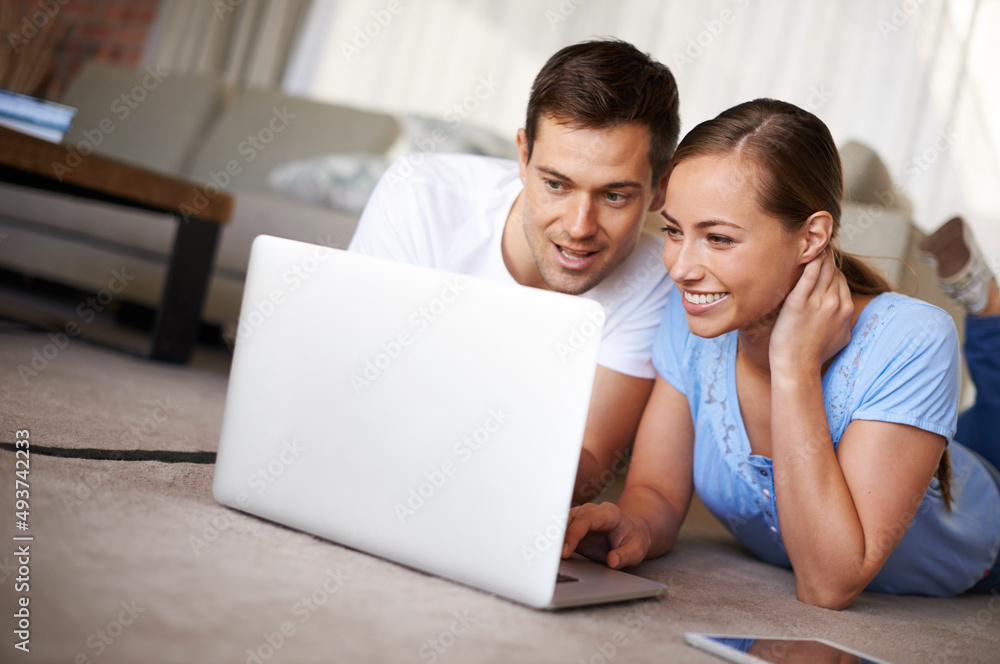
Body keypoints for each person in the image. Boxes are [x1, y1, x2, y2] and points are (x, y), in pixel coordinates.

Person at [561, 98, 1000, 609]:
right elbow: (656, 491)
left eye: (719, 238)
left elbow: (828, 583)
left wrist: (795, 366)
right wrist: (630, 524)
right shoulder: (692, 325)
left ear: (812, 237)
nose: (680, 267)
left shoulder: (913, 337)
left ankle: (987, 306)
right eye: (675, 231)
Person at [349, 39, 681, 504]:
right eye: (556, 184)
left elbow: (587, 467)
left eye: (614, 196)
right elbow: (351, 376)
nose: (578, 227)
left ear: (659, 191)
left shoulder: (655, 278)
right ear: (523, 157)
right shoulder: (419, 196)